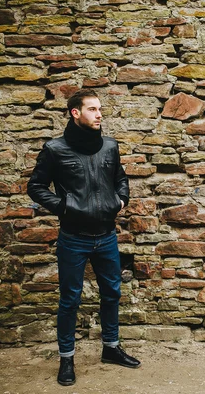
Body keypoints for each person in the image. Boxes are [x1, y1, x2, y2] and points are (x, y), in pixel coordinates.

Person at [27, 89, 141, 386]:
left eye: (100, 109)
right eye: (92, 109)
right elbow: (36, 186)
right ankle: (67, 359)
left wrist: (122, 200)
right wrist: (63, 206)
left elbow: (121, 179)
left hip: (106, 236)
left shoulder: (109, 147)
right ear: (75, 113)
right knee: (70, 300)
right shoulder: (55, 149)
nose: (99, 114)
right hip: (73, 238)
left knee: (112, 293)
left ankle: (111, 349)